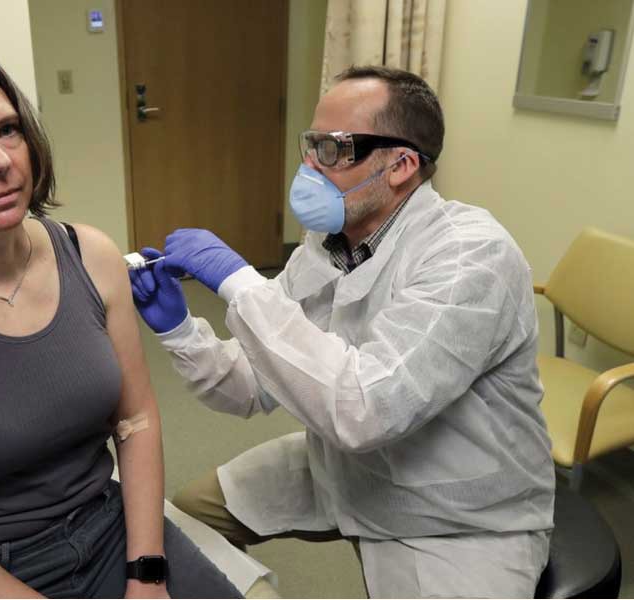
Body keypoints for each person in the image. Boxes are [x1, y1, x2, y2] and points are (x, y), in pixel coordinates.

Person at [129, 65, 555, 598]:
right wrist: (180, 330)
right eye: (311, 145)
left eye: (334, 148)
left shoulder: (470, 255)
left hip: (457, 513)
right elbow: (249, 386)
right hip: (347, 468)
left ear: (401, 165)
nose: (309, 164)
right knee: (193, 519)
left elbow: (366, 408)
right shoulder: (326, 246)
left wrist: (243, 285)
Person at [0, 41, 241, 599]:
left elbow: (137, 420)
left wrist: (147, 573)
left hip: (112, 531)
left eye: (6, 130)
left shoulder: (92, 256)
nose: (0, 161)